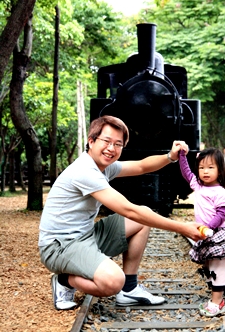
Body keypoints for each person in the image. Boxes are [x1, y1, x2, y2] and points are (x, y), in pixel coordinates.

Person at [38, 115, 203, 311]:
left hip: (85, 237)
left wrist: (170, 157)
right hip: (59, 247)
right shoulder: (84, 171)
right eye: (106, 141)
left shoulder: (103, 167)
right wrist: (182, 227)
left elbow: (142, 166)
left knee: (144, 216)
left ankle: (129, 289)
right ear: (91, 141)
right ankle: (65, 280)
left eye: (118, 144)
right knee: (113, 281)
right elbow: (128, 210)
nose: (111, 149)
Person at [179, 147, 225, 318]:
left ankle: (217, 302)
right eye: (201, 167)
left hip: (217, 234)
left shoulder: (220, 192)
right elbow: (186, 173)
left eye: (210, 167)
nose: (205, 171)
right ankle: (216, 294)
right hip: (204, 233)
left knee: (217, 268)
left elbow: (222, 214)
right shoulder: (198, 187)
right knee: (208, 266)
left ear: (220, 169)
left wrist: (209, 228)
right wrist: (182, 156)